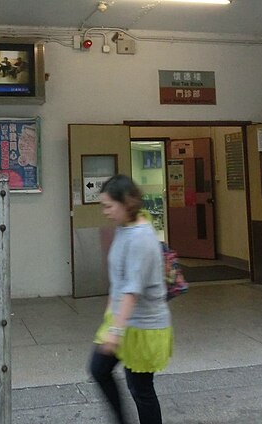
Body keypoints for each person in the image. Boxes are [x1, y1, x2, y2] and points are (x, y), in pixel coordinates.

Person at [88, 174, 172, 424]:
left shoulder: (141, 238)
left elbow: (131, 290)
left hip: (143, 327)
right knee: (99, 369)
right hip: (123, 321)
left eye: (108, 205)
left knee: (141, 389)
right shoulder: (125, 228)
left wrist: (114, 331)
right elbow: (119, 281)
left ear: (127, 203)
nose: (105, 211)